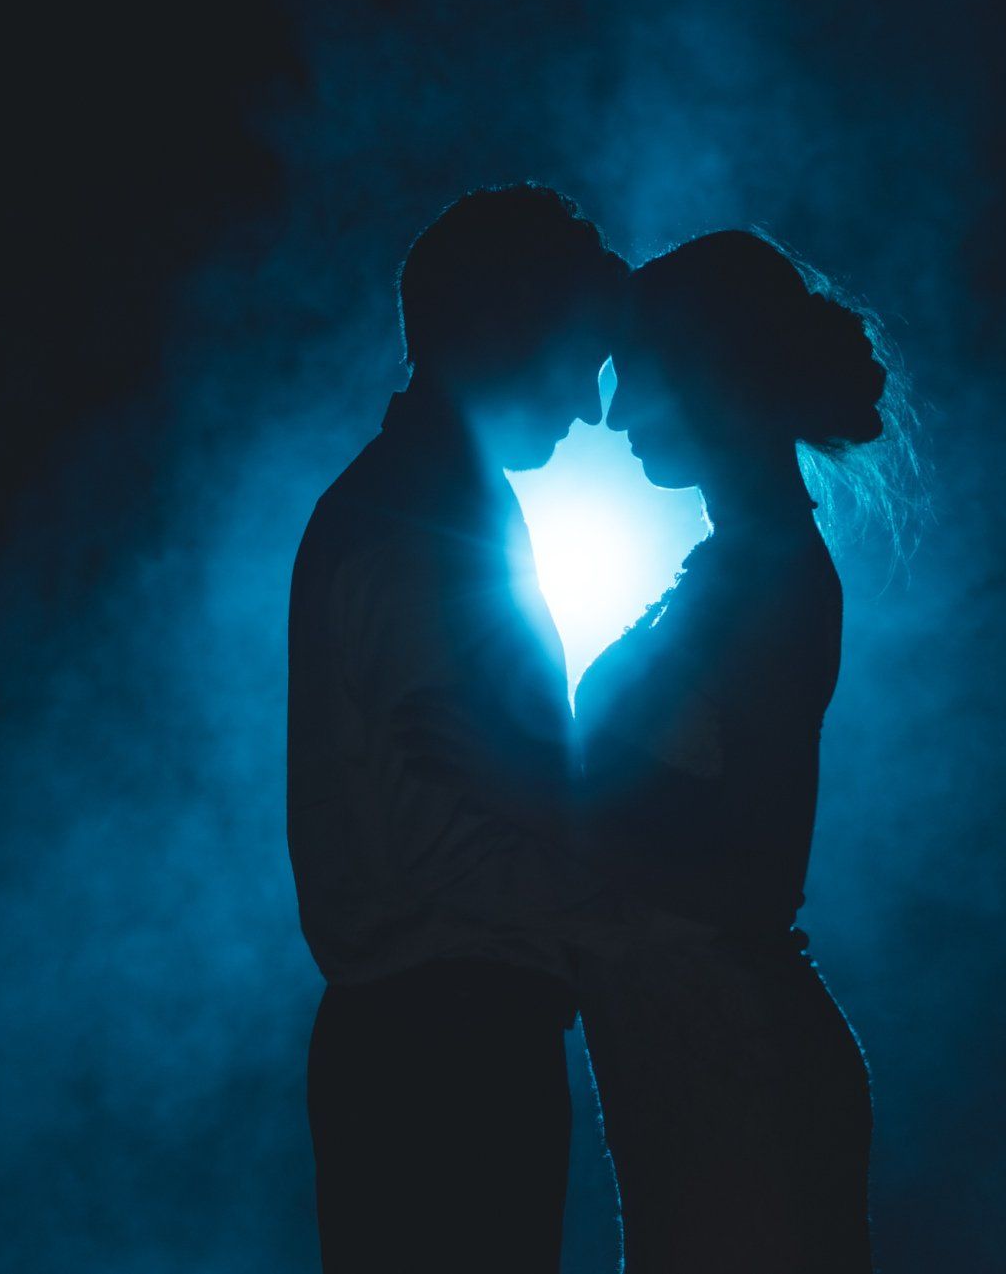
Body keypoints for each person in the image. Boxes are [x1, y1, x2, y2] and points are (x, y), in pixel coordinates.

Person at [285, 184, 626, 1273]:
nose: (589, 401)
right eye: (579, 354)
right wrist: (641, 895)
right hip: (448, 1048)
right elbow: (449, 849)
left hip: (441, 1039)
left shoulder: (438, 506)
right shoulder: (422, 524)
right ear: (499, 324)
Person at [567, 230, 918, 1271]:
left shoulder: (766, 579)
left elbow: (752, 865)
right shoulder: (742, 569)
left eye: (637, 374)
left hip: (730, 1061)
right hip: (701, 1053)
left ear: (707, 369)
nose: (618, 411)